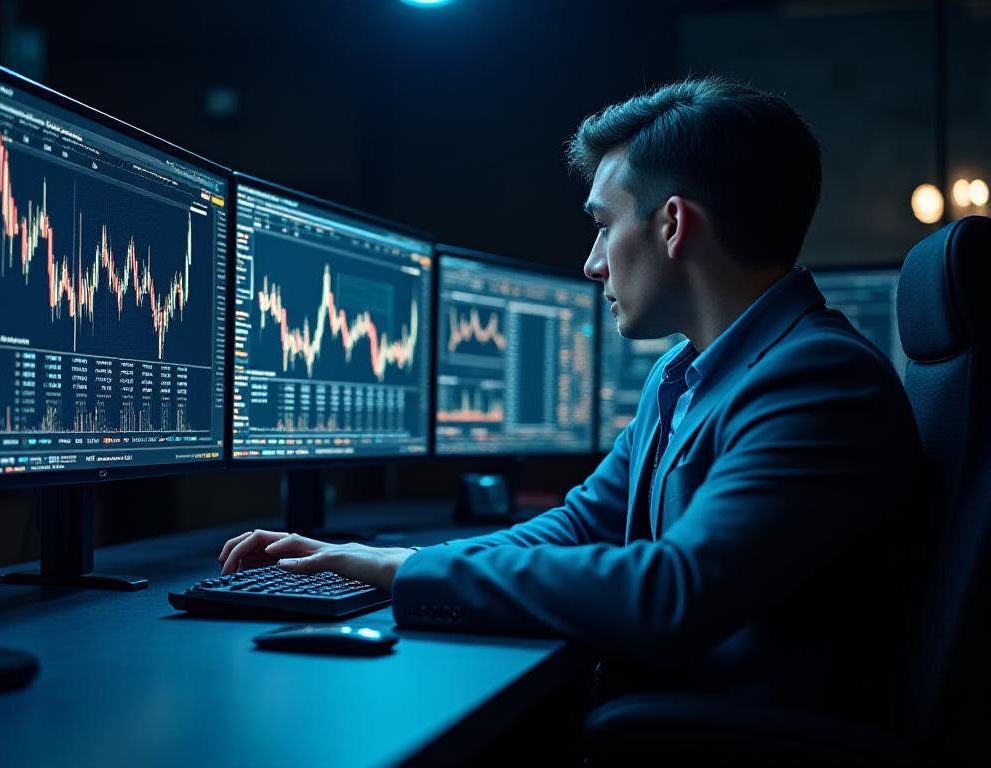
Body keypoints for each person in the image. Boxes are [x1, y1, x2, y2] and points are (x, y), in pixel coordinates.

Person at [218, 77, 920, 724]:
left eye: (603, 225)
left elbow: (673, 593)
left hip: (736, 743)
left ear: (673, 226)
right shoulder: (689, 373)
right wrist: (386, 558)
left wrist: (404, 570)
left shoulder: (818, 379)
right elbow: (581, 525)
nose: (591, 262)